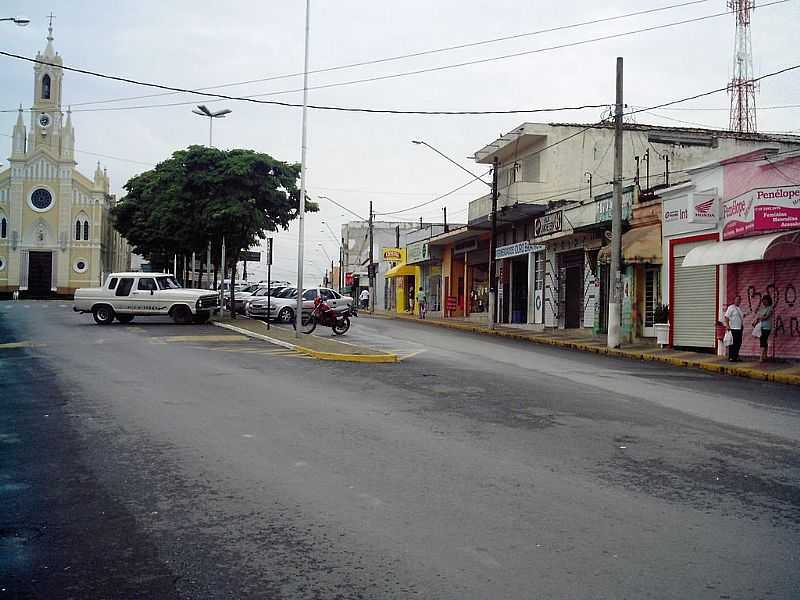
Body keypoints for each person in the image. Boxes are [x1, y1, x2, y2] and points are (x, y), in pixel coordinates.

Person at [753, 294, 774, 362]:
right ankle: (765, 356)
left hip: (767, 327)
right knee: (764, 341)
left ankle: (761, 357)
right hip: (762, 326)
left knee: (763, 340)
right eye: (763, 301)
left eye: (765, 301)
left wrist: (760, 318)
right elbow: (760, 317)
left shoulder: (770, 308)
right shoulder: (763, 309)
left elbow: (766, 317)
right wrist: (756, 321)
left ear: (768, 301)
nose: (764, 302)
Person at [723, 295, 744, 362]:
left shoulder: (739, 309)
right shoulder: (731, 308)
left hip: (739, 328)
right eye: (737, 299)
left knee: (738, 343)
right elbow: (726, 317)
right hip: (733, 328)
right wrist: (727, 326)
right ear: (734, 300)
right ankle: (731, 357)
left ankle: (736, 356)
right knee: (732, 343)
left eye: (739, 300)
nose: (738, 301)